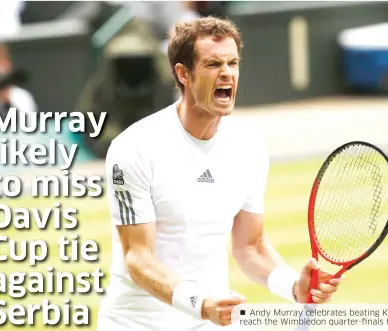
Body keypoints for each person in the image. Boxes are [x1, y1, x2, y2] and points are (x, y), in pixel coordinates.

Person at [97, 16, 343, 331]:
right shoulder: (133, 148)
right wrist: (199, 304)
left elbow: (250, 246)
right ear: (183, 74)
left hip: (209, 321)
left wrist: (294, 286)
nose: (227, 72)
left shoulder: (249, 145)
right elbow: (138, 257)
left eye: (232, 63)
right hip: (135, 324)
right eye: (213, 64)